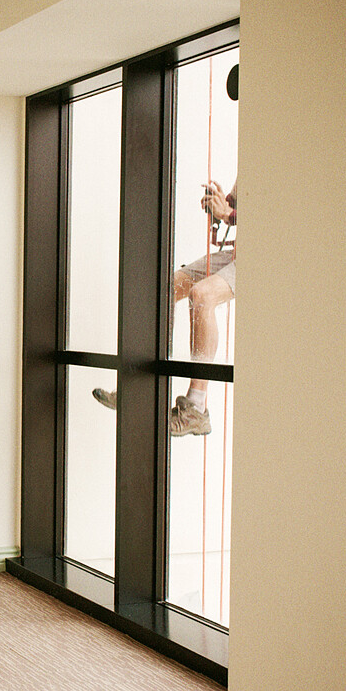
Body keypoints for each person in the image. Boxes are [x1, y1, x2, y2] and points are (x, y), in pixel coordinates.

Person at [94, 64, 238, 437]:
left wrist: (231, 212)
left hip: (267, 256)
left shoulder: (285, 143)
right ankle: (138, 388)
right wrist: (220, 206)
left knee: (202, 296)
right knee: (166, 287)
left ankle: (196, 408)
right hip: (237, 251)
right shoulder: (256, 144)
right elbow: (236, 207)